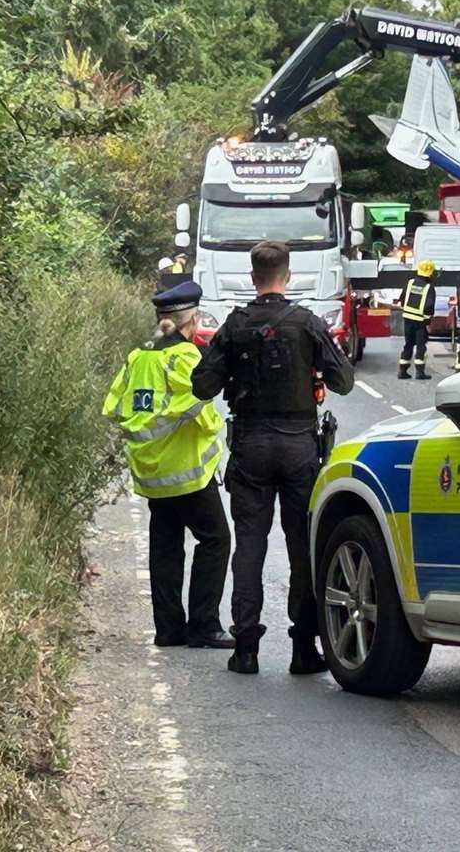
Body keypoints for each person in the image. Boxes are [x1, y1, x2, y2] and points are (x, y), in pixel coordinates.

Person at [192, 240, 354, 675]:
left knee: (249, 546)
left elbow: (202, 385)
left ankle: (245, 647)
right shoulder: (306, 323)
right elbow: (344, 382)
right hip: (300, 445)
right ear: (288, 276)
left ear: (252, 277)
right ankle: (304, 647)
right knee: (302, 545)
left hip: (250, 447)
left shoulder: (236, 325)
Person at [102, 281, 234, 650]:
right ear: (189, 321)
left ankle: (168, 629)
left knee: (166, 545)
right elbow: (200, 408)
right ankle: (204, 626)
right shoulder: (185, 357)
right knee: (215, 540)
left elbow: (114, 406)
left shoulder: (138, 356)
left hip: (151, 472)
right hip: (187, 470)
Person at [398, 259, 437, 380]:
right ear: (430, 273)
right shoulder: (429, 287)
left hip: (407, 319)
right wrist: (427, 320)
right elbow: (429, 307)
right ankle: (420, 372)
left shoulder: (410, 283)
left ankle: (402, 371)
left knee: (408, 344)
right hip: (420, 322)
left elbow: (402, 299)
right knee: (420, 346)